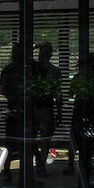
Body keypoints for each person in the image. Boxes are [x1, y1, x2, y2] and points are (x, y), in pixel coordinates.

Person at [69, 52, 94, 187]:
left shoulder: (78, 78)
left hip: (81, 112)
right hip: (92, 112)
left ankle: (81, 170)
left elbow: (70, 94)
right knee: (89, 144)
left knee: (80, 143)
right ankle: (85, 168)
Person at [0, 42, 30, 187]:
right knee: (22, 143)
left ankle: (8, 173)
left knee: (11, 143)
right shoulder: (23, 71)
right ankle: (19, 175)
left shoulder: (7, 70)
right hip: (19, 109)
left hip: (13, 108)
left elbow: (2, 90)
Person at [32, 41, 63, 177]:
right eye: (41, 52)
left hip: (45, 107)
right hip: (34, 107)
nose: (42, 55)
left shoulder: (53, 72)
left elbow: (58, 93)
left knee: (45, 139)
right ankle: (40, 161)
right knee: (33, 138)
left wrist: (59, 111)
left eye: (44, 53)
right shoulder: (32, 69)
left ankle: (41, 163)